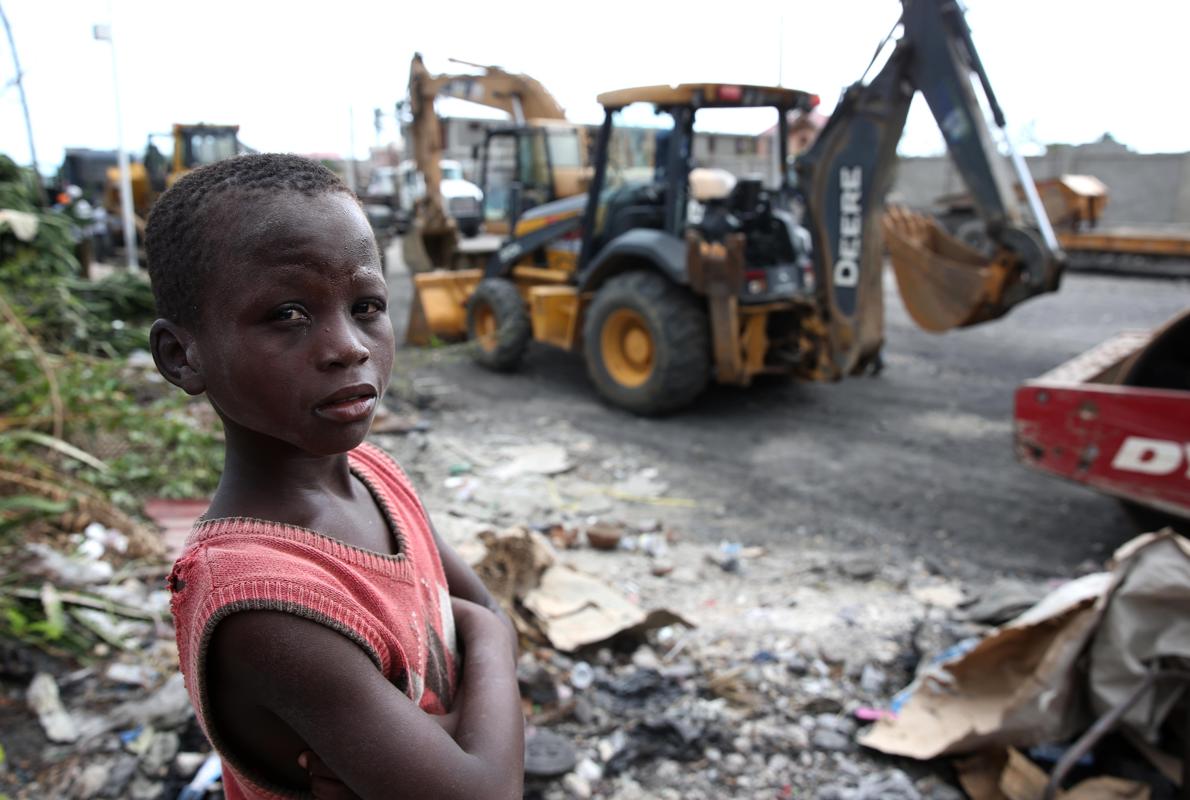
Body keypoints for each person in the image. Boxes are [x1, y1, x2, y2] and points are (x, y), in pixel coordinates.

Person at [146, 153, 523, 800]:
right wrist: (493, 655)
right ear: (183, 357)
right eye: (288, 314)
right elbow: (485, 793)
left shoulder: (376, 476)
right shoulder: (260, 601)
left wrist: (488, 633)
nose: (348, 345)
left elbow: (484, 615)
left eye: (368, 305)